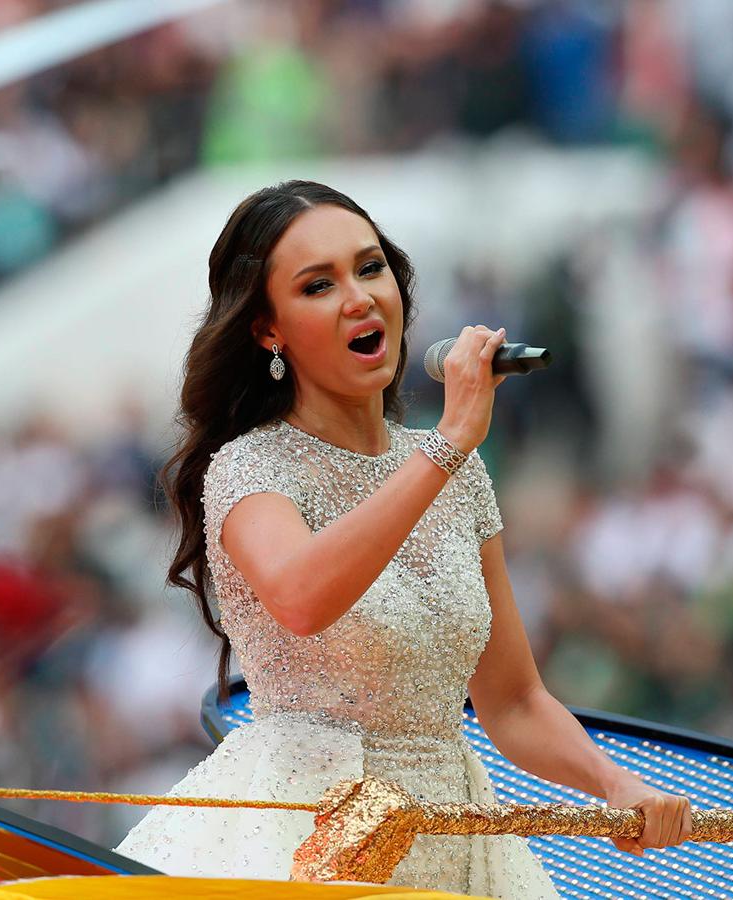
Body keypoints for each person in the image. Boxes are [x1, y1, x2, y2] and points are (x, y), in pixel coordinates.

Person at [115, 180, 692, 896]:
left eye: (369, 267)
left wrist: (615, 783)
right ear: (269, 330)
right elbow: (300, 598)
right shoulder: (251, 468)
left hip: (455, 840)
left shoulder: (455, 473)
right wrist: (449, 443)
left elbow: (511, 702)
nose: (358, 297)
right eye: (318, 285)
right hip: (307, 836)